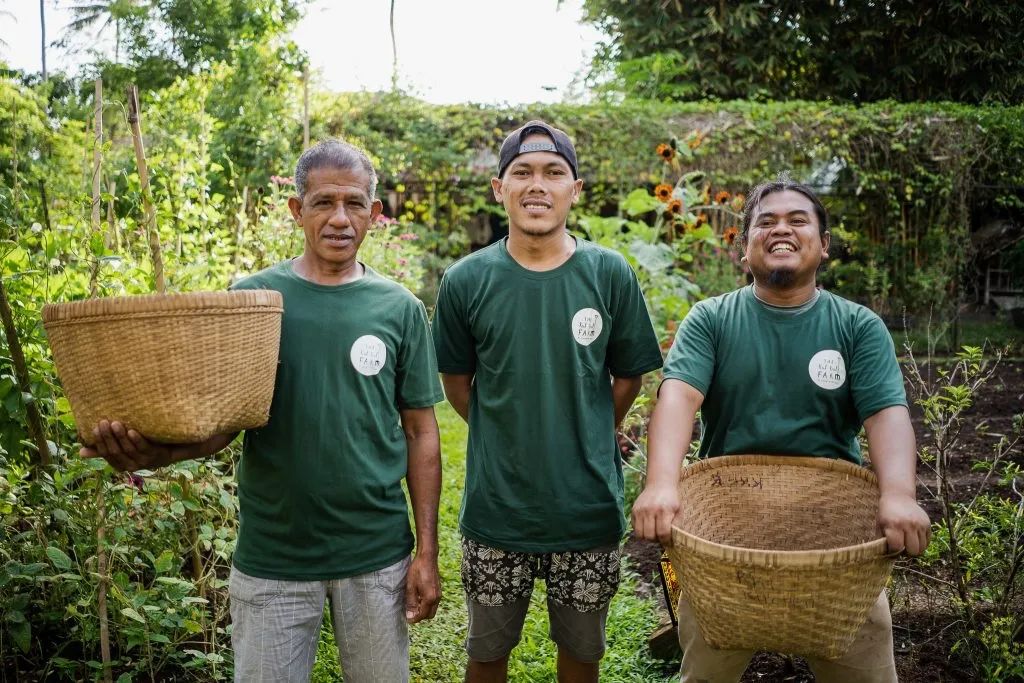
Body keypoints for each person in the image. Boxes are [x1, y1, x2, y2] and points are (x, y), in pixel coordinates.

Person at [81, 139, 445, 683]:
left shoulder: (399, 308)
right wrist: (155, 452)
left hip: (375, 554)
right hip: (273, 556)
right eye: (323, 203)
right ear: (297, 211)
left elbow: (421, 433)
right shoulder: (251, 299)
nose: (339, 218)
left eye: (353, 203)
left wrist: (427, 553)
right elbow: (224, 426)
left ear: (374, 213)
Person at [632, 180, 931, 683]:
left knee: (865, 671)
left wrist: (899, 494)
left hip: (834, 536)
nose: (781, 229)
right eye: (765, 222)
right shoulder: (712, 319)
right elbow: (679, 396)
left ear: (824, 244)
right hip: (725, 531)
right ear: (744, 248)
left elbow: (887, 414)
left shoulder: (857, 326)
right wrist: (661, 483)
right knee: (706, 672)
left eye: (798, 220)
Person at [431, 120, 664, 683]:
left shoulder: (608, 273)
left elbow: (628, 377)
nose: (538, 185)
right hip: (497, 511)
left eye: (554, 173)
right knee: (486, 653)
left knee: (582, 656)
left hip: (586, 511)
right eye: (523, 173)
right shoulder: (467, 279)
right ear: (499, 189)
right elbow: (457, 382)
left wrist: (585, 426)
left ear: (575, 189)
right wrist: (503, 423)